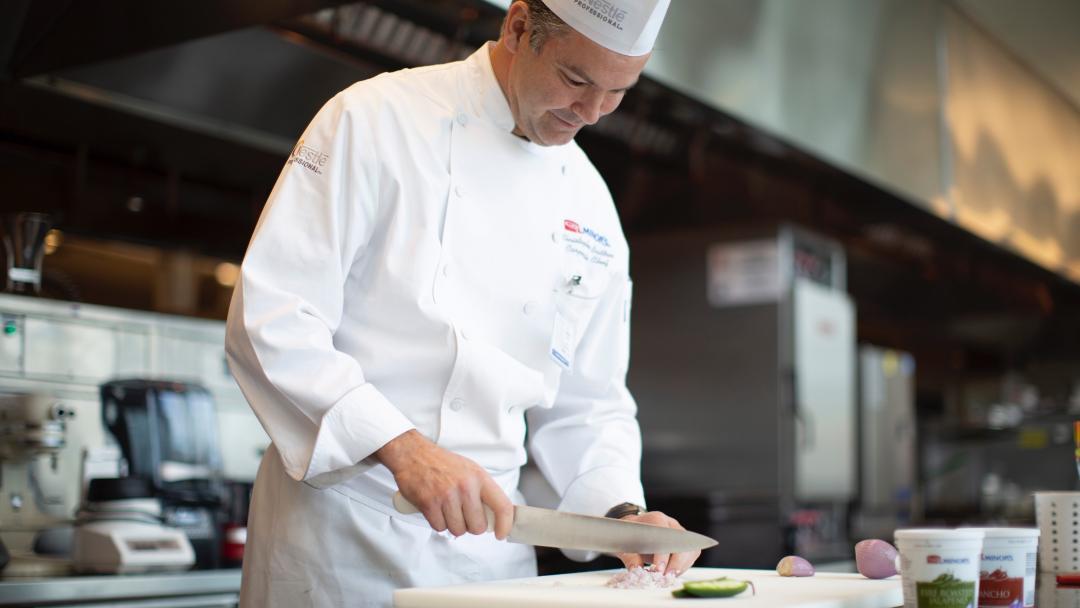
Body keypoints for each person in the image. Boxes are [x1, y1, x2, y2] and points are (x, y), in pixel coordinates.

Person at [224, 0, 698, 606]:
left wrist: (624, 515)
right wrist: (403, 446)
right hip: (342, 544)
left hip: (490, 561)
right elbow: (272, 317)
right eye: (575, 79)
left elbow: (589, 406)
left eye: (618, 93)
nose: (592, 113)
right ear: (518, 26)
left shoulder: (590, 202)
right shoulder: (373, 120)